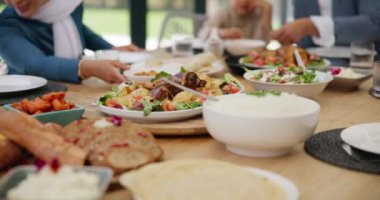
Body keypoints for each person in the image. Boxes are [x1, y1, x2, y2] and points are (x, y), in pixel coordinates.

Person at [0, 0, 140, 84]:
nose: (15, 1)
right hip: (26, 103)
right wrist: (85, 68)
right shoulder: (5, 25)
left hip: (75, 89)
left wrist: (110, 48)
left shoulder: (66, 5)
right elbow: (33, 63)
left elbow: (77, 28)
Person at [271, 0, 380, 64]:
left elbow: (375, 23)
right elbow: (304, 42)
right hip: (314, 70)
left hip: (362, 67)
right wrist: (288, 37)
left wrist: (312, 26)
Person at [198, 0, 272, 41]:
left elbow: (264, 42)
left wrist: (267, 10)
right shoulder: (223, 12)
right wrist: (222, 32)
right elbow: (202, 33)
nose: (244, 2)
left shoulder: (257, 15)